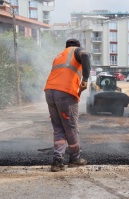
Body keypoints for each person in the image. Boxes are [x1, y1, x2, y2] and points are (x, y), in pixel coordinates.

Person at [44, 39, 91, 172]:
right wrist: (85, 79)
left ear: (66, 46)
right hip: (65, 93)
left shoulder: (59, 55)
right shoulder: (76, 51)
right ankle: (75, 159)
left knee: (59, 128)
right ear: (77, 46)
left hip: (49, 92)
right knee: (71, 127)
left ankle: (57, 161)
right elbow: (86, 55)